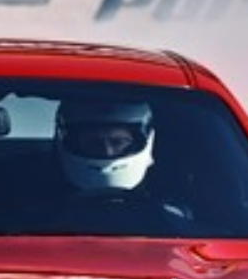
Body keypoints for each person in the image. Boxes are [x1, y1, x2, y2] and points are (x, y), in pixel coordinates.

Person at [51, 98, 191, 232]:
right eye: (93, 143)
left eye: (118, 142)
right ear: (72, 143)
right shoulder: (46, 212)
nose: (107, 151)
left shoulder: (170, 216)